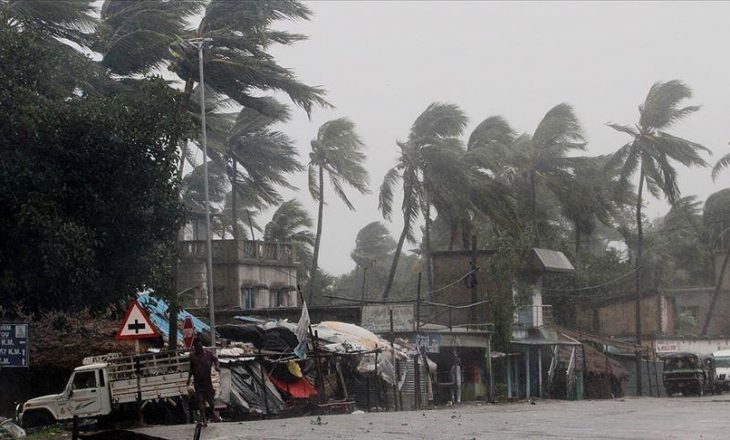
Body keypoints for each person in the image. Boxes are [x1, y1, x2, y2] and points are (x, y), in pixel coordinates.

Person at [187, 337, 220, 426]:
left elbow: (215, 359)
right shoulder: (192, 356)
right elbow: (191, 368)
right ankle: (204, 419)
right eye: (197, 347)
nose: (199, 348)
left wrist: (216, 366)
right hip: (198, 382)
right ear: (195, 347)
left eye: (200, 346)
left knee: (211, 402)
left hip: (207, 382)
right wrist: (188, 379)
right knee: (200, 401)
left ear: (202, 346)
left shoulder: (208, 354)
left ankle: (212, 413)